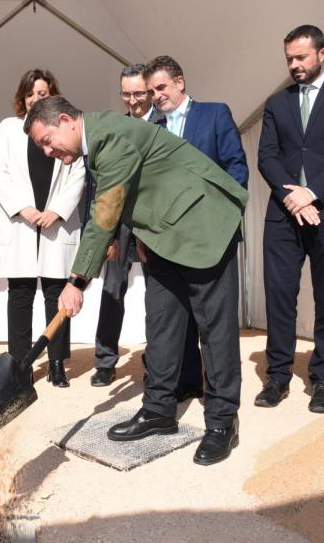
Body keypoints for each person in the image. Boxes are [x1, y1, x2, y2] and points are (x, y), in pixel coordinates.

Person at [25, 96, 248, 466]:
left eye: (47, 140)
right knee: (161, 325)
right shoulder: (97, 140)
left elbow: (106, 212)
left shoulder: (109, 138)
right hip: (163, 235)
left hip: (205, 228)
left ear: (66, 120)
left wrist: (76, 281)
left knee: (214, 330)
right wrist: (144, 233)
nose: (47, 151)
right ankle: (159, 411)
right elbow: (145, 186)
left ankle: (223, 422)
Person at [256, 24, 324, 414]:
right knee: (280, 297)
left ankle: (323, 379)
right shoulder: (276, 102)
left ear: (321, 54)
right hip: (284, 215)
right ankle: (279, 376)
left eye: (301, 57)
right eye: (289, 58)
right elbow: (266, 156)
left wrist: (312, 193)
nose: (294, 64)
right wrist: (292, 196)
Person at [142, 55, 249, 401]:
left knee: (215, 325)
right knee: (171, 323)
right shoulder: (150, 130)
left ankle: (221, 409)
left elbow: (236, 167)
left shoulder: (215, 114)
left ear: (180, 82)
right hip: (168, 244)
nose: (156, 95)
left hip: (212, 239)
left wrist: (225, 220)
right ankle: (183, 386)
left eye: (161, 87)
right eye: (151, 91)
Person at [0, 69, 83, 387]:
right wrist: (23, 209)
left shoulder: (65, 128)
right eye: (30, 94)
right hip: (21, 223)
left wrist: (57, 212)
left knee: (56, 294)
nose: (35, 99)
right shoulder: (8, 129)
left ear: (53, 96)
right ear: (22, 97)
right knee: (20, 294)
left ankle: (56, 363)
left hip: (56, 224)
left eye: (42, 94)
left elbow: (78, 173)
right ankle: (20, 363)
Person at [90, 64, 162, 387]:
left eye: (139, 93)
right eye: (127, 94)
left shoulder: (166, 122)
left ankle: (157, 360)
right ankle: (105, 361)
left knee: (157, 293)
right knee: (111, 289)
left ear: (149, 91)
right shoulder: (113, 127)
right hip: (118, 223)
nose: (133, 101)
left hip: (153, 223)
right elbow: (101, 180)